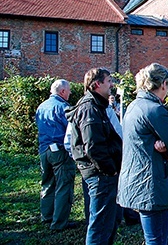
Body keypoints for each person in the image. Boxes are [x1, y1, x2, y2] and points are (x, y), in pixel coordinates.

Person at [118, 63, 168, 245]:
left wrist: (161, 147)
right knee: (156, 239)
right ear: (163, 84)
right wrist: (167, 148)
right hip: (149, 184)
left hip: (135, 178)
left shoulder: (134, 105)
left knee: (167, 230)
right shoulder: (155, 110)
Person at [66, 68, 122, 245]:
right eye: (108, 81)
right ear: (97, 84)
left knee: (108, 222)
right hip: (101, 176)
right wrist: (110, 170)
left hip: (102, 174)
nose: (111, 85)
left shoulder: (97, 106)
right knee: (100, 225)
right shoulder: (90, 108)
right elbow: (93, 147)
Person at [35, 79, 76, 231]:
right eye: (69, 90)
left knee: (47, 182)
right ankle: (59, 223)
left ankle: (47, 216)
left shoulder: (41, 107)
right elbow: (72, 130)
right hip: (59, 150)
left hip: (44, 149)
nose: (70, 93)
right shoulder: (64, 107)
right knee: (64, 185)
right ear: (62, 91)